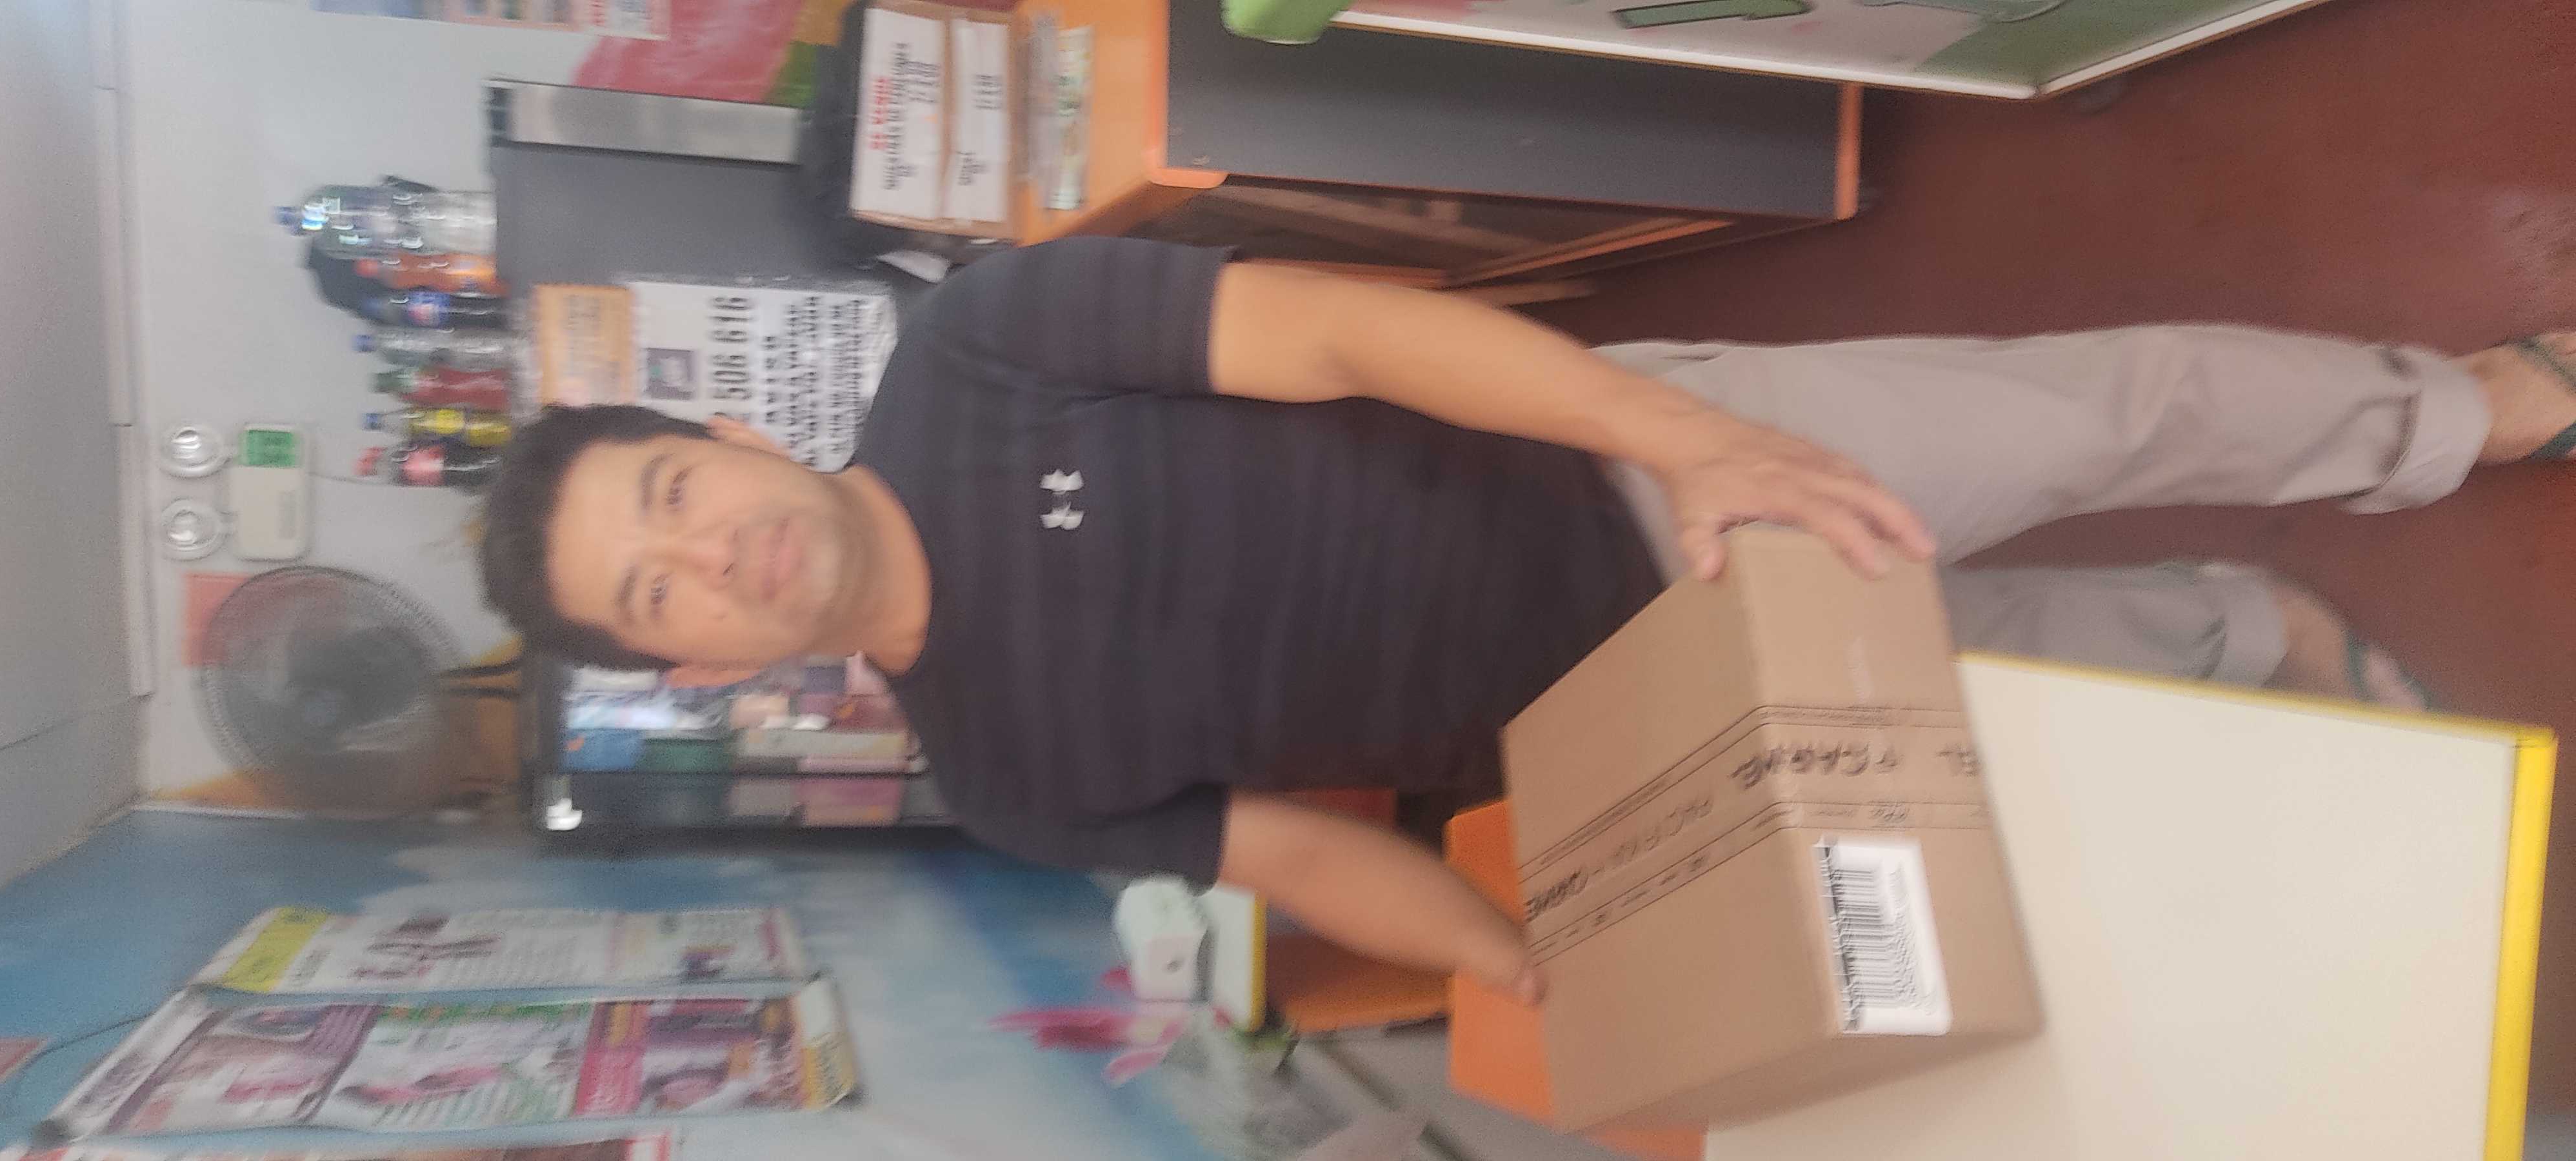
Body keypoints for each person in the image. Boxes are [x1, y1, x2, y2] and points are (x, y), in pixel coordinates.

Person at [477, 239, 2576, 1001]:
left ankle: (2467, 410)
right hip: (1626, 702)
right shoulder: (1005, 780)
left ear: (716, 437)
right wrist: (1524, 965)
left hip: (1623, 466)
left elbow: (1345, 333)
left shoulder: (985, 350)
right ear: (701, 671)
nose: (713, 556)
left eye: (673, 499)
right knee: (1987, 665)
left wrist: (1685, 435)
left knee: (2087, 413)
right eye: (660, 598)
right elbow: (1304, 859)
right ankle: (2248, 630)